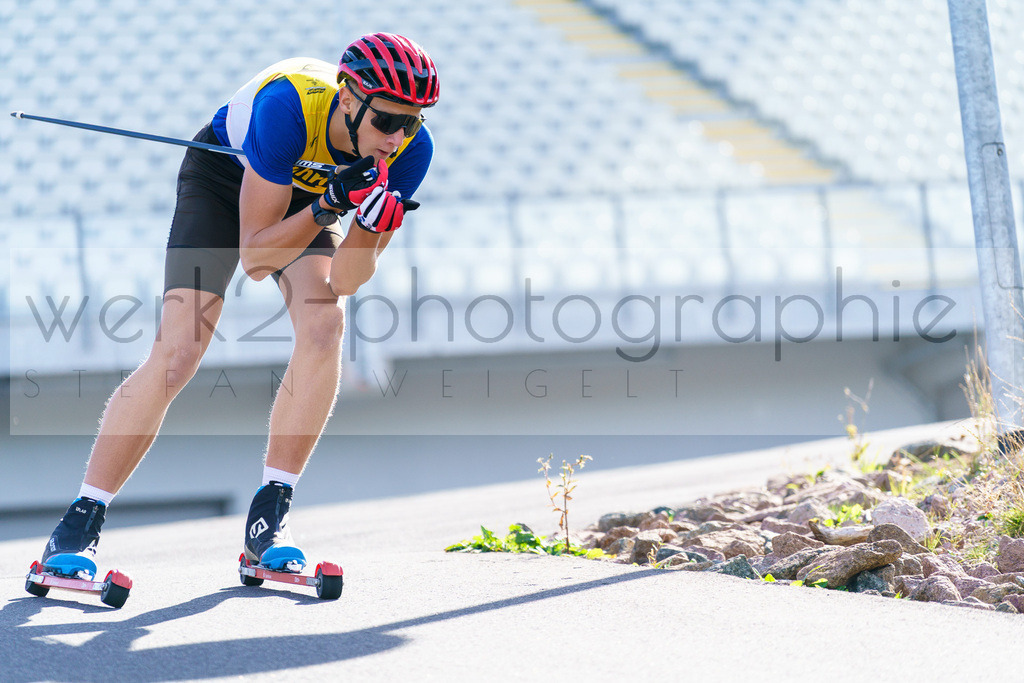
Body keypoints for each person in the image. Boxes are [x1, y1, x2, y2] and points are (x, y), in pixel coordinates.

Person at [38, 32, 440, 578]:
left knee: (326, 322)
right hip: (226, 183)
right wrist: (329, 205)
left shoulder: (411, 151)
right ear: (348, 98)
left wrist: (370, 226)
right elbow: (254, 257)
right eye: (387, 121)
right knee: (180, 350)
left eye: (411, 122)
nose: (397, 138)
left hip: (308, 198)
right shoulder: (287, 107)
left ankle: (269, 517)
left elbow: (345, 280)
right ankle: (80, 522)